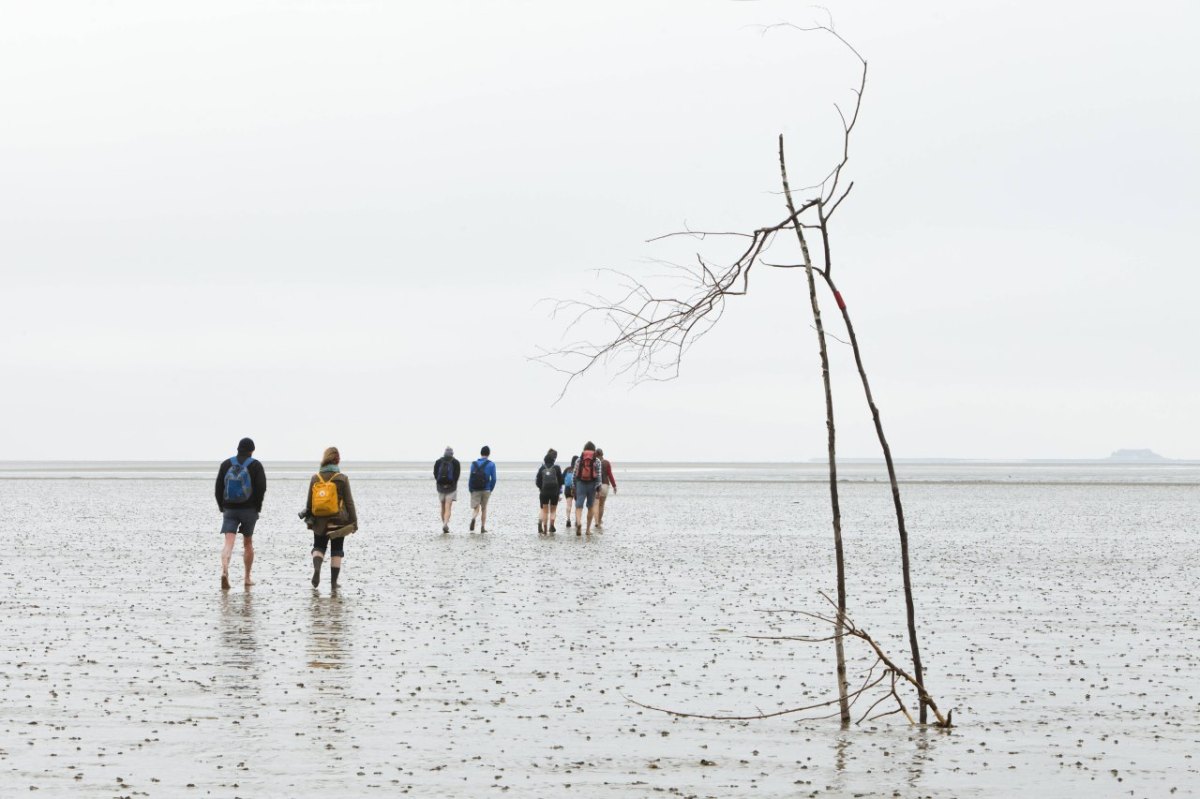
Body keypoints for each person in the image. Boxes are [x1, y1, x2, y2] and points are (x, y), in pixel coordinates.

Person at [215, 437, 267, 590]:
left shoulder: (226, 464)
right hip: (249, 509)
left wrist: (222, 506)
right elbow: (261, 488)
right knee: (248, 543)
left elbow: (218, 487)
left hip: (229, 509)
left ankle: (225, 570)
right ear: (252, 450)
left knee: (228, 543)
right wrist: (257, 508)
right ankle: (247, 578)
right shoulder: (256, 465)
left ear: (238, 449)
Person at [303, 446, 358, 590]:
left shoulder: (316, 478)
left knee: (319, 546)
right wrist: (354, 522)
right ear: (337, 460)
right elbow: (349, 502)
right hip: (338, 521)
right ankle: (334, 583)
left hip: (319, 520)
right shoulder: (342, 478)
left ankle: (317, 569)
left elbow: (309, 502)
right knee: (337, 549)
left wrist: (309, 518)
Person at [571, 441, 601, 536]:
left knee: (579, 505)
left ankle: (579, 523)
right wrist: (598, 489)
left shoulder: (579, 460)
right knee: (590, 506)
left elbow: (574, 475)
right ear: (593, 450)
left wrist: (573, 486)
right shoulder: (597, 460)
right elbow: (599, 476)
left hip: (580, 483)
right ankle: (587, 530)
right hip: (592, 484)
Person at [467, 445, 497, 533]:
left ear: (481, 453)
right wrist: (490, 489)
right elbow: (494, 479)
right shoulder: (491, 464)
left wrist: (470, 489)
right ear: (488, 454)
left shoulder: (474, 464)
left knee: (476, 508)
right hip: (486, 489)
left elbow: (470, 477)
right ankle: (482, 528)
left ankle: (473, 518)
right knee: (484, 508)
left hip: (475, 489)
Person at [534, 448, 563, 535]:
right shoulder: (557, 468)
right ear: (553, 459)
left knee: (544, 510)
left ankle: (545, 528)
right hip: (554, 492)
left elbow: (537, 481)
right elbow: (561, 480)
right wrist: (558, 489)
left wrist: (541, 487)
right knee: (553, 510)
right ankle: (552, 525)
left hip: (544, 492)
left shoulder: (542, 468)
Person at [433, 446, 460, 534]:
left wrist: (440, 482)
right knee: (448, 506)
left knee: (442, 506)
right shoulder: (456, 462)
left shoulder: (438, 461)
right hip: (451, 488)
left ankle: (444, 524)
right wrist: (451, 484)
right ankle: (445, 523)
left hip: (440, 487)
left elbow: (435, 474)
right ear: (452, 453)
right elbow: (456, 476)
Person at [594, 448, 618, 529]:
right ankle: (599, 521)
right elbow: (610, 475)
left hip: (596, 486)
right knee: (601, 505)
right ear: (602, 454)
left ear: (596, 454)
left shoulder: (594, 463)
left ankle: (596, 521)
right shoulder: (606, 463)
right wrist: (614, 486)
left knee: (596, 504)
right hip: (605, 485)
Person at [562, 455, 577, 528]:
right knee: (577, 505)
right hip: (577, 488)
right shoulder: (578, 469)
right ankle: (577, 520)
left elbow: (561, 479)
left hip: (568, 488)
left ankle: (568, 519)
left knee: (568, 505)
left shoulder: (567, 469)